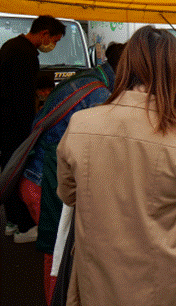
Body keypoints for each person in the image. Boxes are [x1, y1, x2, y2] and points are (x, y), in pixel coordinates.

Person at [57, 26, 176, 305]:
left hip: (99, 274)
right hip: (166, 277)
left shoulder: (81, 124)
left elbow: (68, 195)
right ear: (175, 72)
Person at [17, 42, 125, 304]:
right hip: (44, 181)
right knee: (59, 250)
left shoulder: (89, 77)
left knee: (58, 249)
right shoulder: (98, 94)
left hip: (37, 174)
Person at [1, 15, 66, 241]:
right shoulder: (24, 54)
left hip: (6, 122)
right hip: (14, 124)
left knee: (8, 167)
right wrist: (33, 128)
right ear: (44, 33)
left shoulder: (11, 46)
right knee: (19, 170)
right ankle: (24, 226)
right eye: (54, 40)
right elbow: (22, 97)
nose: (53, 45)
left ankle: (11, 220)